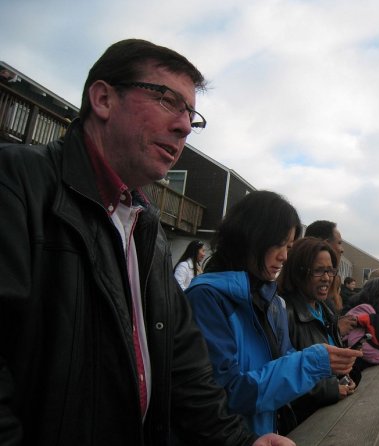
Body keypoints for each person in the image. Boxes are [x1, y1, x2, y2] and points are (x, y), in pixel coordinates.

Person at [0, 39, 294, 446]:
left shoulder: (145, 230)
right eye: (166, 100)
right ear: (103, 99)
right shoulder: (15, 184)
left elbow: (185, 371)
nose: (185, 126)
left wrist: (242, 443)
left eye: (191, 114)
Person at [185, 191, 361, 436]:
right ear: (250, 236)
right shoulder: (206, 298)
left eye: (288, 247)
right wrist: (313, 362)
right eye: (278, 244)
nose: (284, 256)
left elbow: (283, 365)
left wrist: (326, 374)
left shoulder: (273, 303)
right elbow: (226, 393)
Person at [277, 237, 357, 424]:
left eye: (330, 271)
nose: (327, 278)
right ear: (298, 271)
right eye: (319, 271)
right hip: (302, 423)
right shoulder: (283, 312)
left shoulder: (326, 310)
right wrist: (329, 390)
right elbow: (281, 374)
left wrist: (344, 379)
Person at [304, 220, 356, 335]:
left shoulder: (322, 305)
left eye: (330, 271)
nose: (326, 278)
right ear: (326, 244)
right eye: (339, 243)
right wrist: (335, 330)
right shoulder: (289, 308)